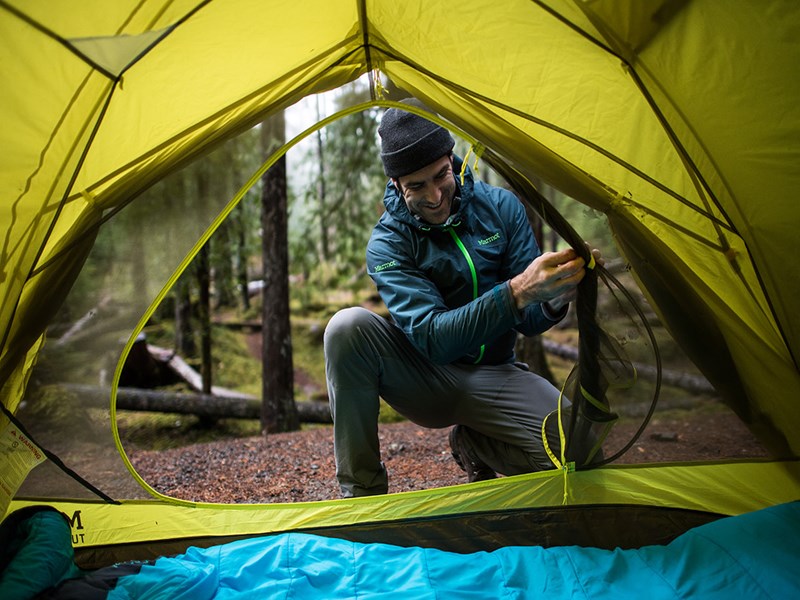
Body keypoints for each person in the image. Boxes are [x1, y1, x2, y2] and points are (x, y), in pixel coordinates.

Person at [324, 98, 601, 497]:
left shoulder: (501, 207)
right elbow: (434, 339)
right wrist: (517, 291)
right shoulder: (387, 243)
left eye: (441, 176)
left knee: (580, 451)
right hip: (423, 377)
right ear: (396, 185)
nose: (434, 196)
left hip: (496, 373)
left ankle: (476, 444)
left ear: (451, 160)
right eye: (416, 187)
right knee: (346, 328)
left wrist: (556, 294)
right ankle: (361, 494)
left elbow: (531, 320)